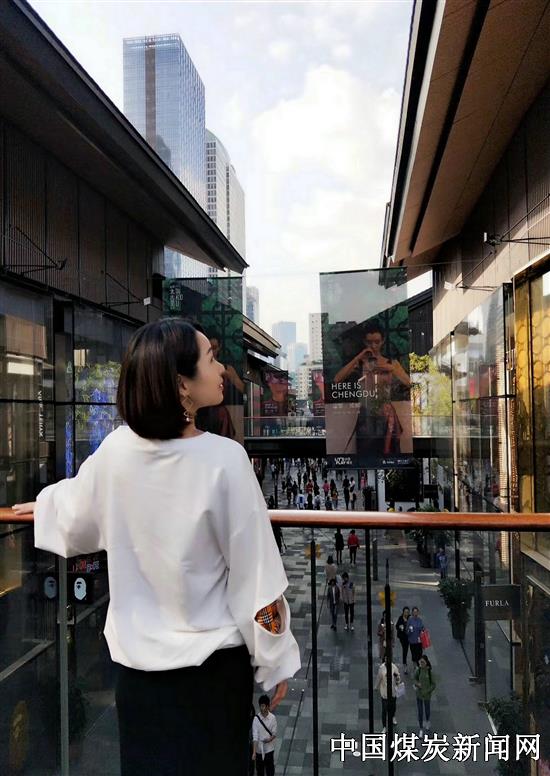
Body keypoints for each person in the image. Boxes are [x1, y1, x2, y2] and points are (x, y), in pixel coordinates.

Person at [13, 318, 300, 776]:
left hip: (139, 682)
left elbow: (74, 514)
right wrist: (275, 660)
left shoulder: (116, 452)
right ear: (182, 384)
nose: (221, 369)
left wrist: (42, 505)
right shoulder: (226, 460)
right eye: (211, 359)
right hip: (213, 679)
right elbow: (256, 577)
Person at [334, 321, 410, 458]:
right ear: (364, 342)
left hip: (386, 414)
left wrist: (392, 369)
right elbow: (337, 379)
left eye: (377, 342)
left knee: (389, 453)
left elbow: (409, 383)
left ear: (382, 341)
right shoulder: (360, 363)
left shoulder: (391, 363)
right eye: (369, 342)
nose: (373, 346)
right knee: (366, 453)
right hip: (366, 415)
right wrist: (359, 357)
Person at [252, 695, 277, 776]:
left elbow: (274, 733)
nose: (261, 708)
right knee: (260, 772)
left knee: (270, 771)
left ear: (267, 706)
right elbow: (255, 736)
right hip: (259, 750)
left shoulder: (272, 718)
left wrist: (269, 740)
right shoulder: (256, 719)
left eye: (263, 706)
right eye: (260, 706)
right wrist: (254, 752)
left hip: (269, 749)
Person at [374, 661, 401, 732]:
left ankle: (393, 716)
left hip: (393, 691)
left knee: (393, 706)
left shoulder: (394, 667)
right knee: (384, 710)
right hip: (384, 692)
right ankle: (384, 727)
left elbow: (398, 677)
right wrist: (376, 686)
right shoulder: (382, 668)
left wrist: (397, 680)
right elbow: (379, 678)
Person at [413, 655, 436, 737]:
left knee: (427, 709)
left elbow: (433, 684)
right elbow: (414, 679)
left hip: (427, 695)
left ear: (426, 662)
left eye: (422, 662)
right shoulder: (418, 670)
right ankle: (421, 728)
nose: (421, 664)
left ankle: (427, 721)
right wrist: (417, 683)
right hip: (419, 694)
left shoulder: (429, 672)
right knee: (420, 711)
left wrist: (428, 691)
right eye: (420, 662)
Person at [396, 606, 411, 674]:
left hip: (410, 636)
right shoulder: (400, 618)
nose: (406, 613)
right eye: (405, 612)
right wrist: (400, 627)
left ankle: (415, 663)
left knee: (413, 649)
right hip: (403, 638)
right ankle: (405, 664)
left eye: (407, 612)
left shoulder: (410, 618)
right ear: (403, 612)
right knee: (405, 650)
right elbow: (397, 626)